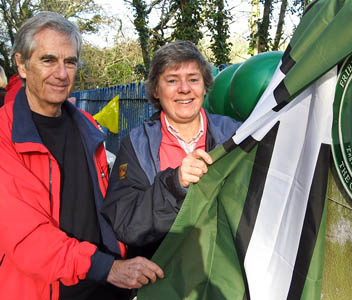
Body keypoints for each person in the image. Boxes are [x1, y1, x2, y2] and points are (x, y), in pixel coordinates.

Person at [0, 11, 163, 300]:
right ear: (22, 65)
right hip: (49, 289)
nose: (62, 74)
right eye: (48, 60)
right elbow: (28, 239)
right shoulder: (5, 136)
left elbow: (107, 208)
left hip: (106, 285)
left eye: (70, 62)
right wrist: (108, 268)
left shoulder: (87, 126)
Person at [102, 41, 241, 258]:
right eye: (172, 80)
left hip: (223, 272)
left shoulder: (234, 135)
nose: (184, 89)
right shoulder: (137, 144)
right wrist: (174, 184)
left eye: (193, 79)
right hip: (162, 272)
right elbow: (125, 224)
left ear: (205, 86)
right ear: (156, 90)